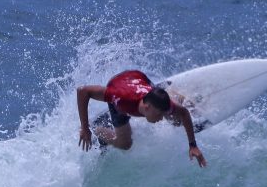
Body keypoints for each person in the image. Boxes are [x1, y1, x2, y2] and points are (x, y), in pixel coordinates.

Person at [77, 70, 206, 168]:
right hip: (119, 85)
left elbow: (183, 113)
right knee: (125, 144)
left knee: (176, 120)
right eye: (158, 115)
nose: (160, 119)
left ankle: (171, 93)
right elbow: (83, 91)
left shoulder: (155, 105)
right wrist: (85, 127)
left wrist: (192, 145)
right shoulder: (120, 99)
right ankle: (97, 129)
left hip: (138, 78)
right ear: (147, 107)